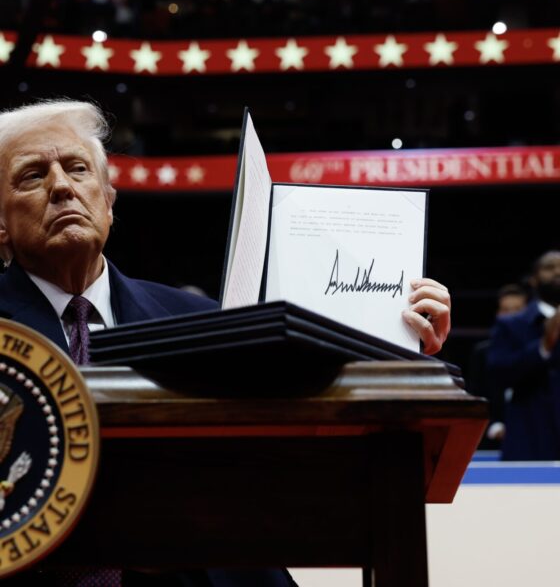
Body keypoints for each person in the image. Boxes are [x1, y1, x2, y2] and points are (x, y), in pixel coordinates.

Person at [0, 100, 452, 585]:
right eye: (32, 176)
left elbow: (302, 423)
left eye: (77, 168)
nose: (63, 187)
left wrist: (396, 343)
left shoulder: (205, 319)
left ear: (109, 201)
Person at [487, 251, 560, 460]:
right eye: (549, 267)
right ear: (534, 280)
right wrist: (543, 347)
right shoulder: (511, 324)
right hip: (531, 438)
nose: (557, 272)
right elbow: (497, 374)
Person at [467, 284, 528, 448]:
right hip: (491, 441)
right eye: (506, 310)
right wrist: (495, 425)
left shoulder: (542, 352)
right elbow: (476, 397)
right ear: (498, 314)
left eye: (517, 309)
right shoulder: (482, 353)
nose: (511, 316)